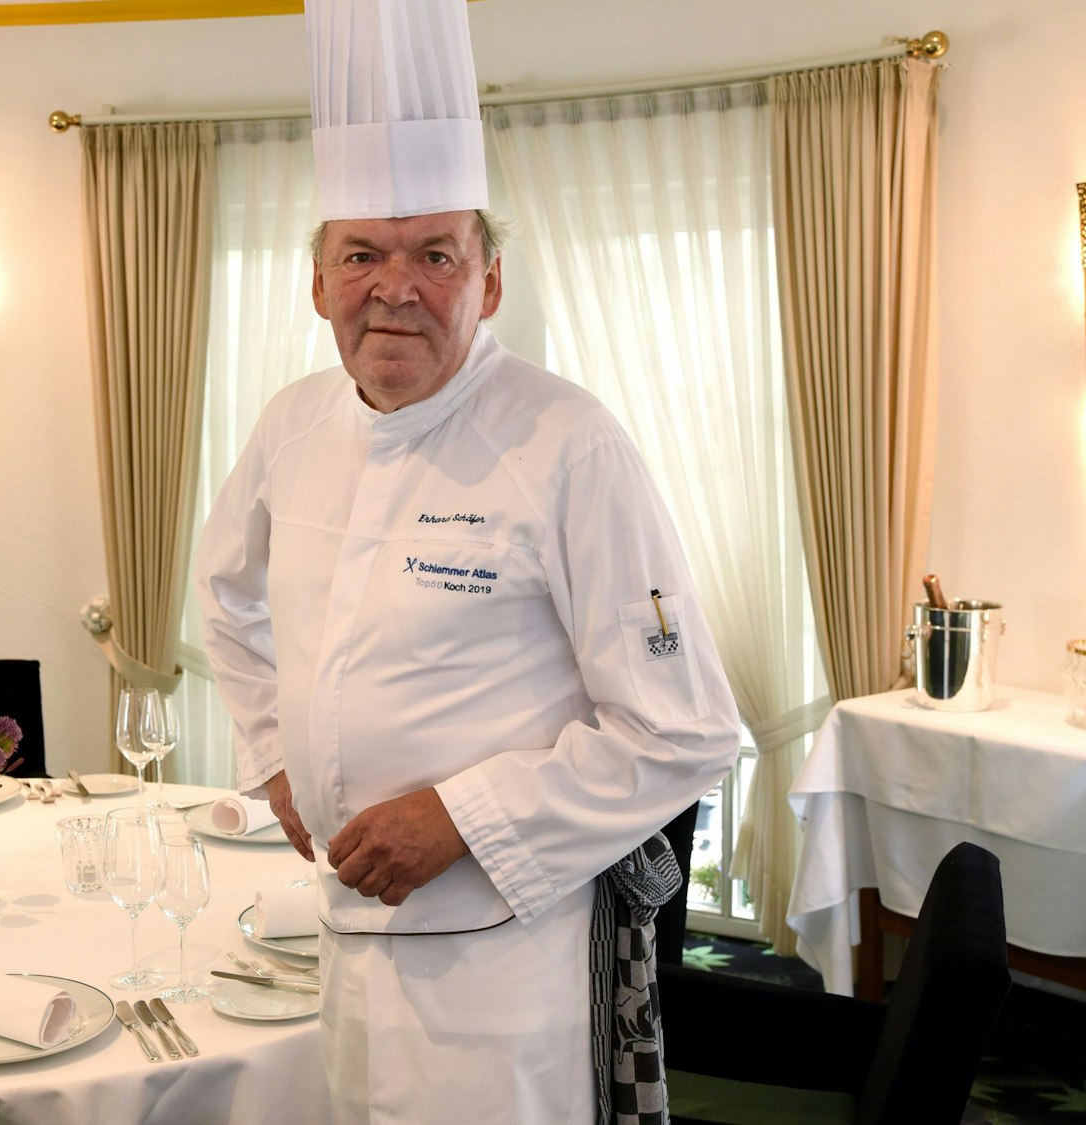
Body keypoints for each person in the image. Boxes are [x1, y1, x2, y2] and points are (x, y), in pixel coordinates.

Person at [192, 5, 741, 1123]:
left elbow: (683, 730)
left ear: (488, 283)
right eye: (361, 254)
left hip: (503, 963)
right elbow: (226, 596)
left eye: (434, 255)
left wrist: (457, 817)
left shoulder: (568, 443)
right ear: (317, 283)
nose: (394, 287)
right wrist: (274, 760)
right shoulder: (292, 425)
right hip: (340, 933)